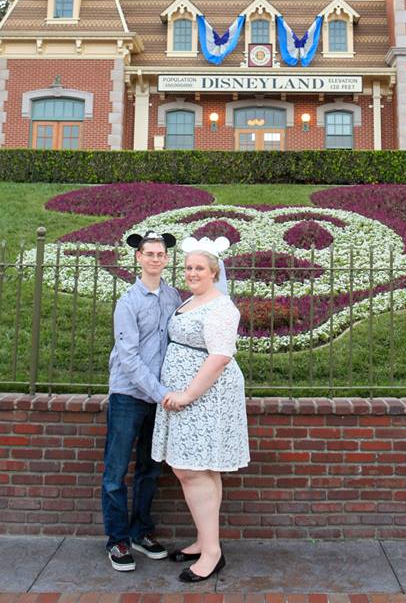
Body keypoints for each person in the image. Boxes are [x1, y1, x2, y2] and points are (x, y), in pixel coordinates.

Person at [152, 235, 250, 584]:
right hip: (187, 396)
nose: (192, 273)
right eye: (189, 267)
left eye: (199, 268)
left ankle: (212, 554)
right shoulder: (191, 301)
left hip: (205, 397)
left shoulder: (221, 307)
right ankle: (205, 541)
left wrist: (188, 394)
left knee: (192, 469)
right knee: (200, 470)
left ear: (214, 272)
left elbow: (220, 357)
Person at [101, 229, 181, 572]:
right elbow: (129, 358)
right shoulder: (128, 302)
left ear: (165, 258)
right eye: (149, 254)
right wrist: (160, 392)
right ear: (138, 257)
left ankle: (140, 532)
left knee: (150, 469)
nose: (155, 259)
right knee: (116, 471)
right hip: (129, 395)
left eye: (160, 254)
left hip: (159, 398)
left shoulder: (173, 296)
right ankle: (117, 539)